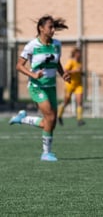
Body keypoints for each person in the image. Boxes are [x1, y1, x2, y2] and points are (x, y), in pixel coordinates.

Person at [9, 15, 71, 162]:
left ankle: (23, 119)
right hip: (37, 87)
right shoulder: (32, 45)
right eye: (50, 27)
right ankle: (46, 153)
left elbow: (56, 63)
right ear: (41, 28)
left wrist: (63, 74)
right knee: (49, 117)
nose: (53, 30)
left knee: (49, 122)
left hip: (51, 87)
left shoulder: (57, 44)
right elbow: (19, 66)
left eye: (54, 27)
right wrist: (33, 75)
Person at [57, 47, 85, 126]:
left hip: (78, 85)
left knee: (80, 102)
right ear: (75, 54)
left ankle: (79, 119)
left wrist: (81, 73)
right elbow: (65, 71)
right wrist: (74, 71)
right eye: (78, 53)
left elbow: (78, 72)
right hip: (70, 84)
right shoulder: (71, 61)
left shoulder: (79, 63)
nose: (80, 54)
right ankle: (59, 115)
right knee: (66, 102)